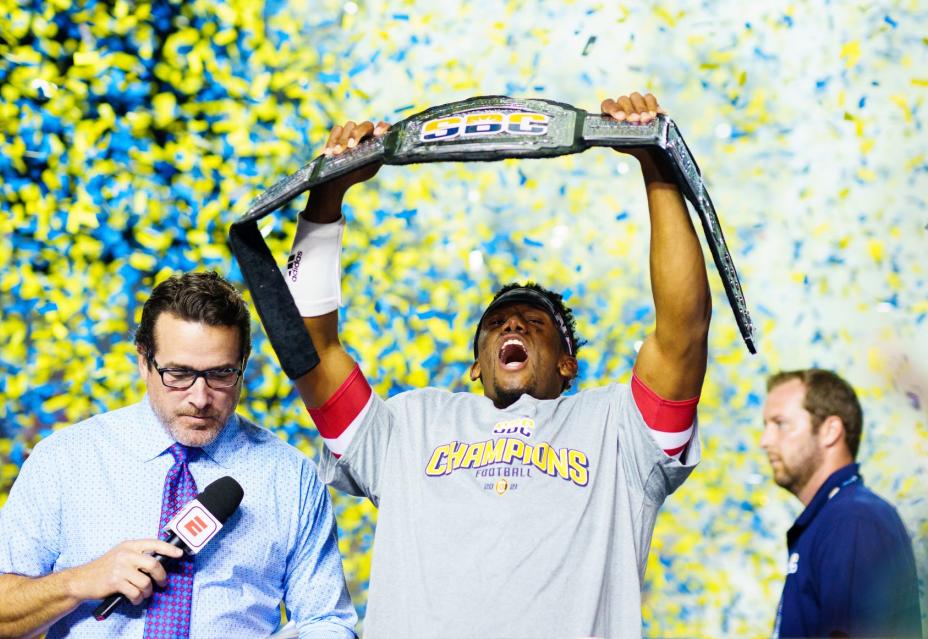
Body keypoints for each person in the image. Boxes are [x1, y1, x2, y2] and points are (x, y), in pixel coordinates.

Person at [281, 92, 711, 637]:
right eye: (497, 323)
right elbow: (310, 351)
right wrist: (327, 197)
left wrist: (654, 162)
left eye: (535, 322)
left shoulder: (619, 432)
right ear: (476, 367)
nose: (512, 326)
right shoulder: (409, 426)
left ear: (567, 366)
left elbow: (684, 331)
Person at [0, 272, 356, 638]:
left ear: (243, 364)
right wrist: (78, 581)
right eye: (178, 373)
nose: (200, 398)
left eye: (221, 374)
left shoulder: (291, 477)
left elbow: (329, 621)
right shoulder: (66, 460)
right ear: (143, 360)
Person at [760, 368, 921, 638]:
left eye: (780, 423)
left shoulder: (853, 519)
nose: (765, 441)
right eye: (765, 427)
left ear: (830, 431)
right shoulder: (833, 517)